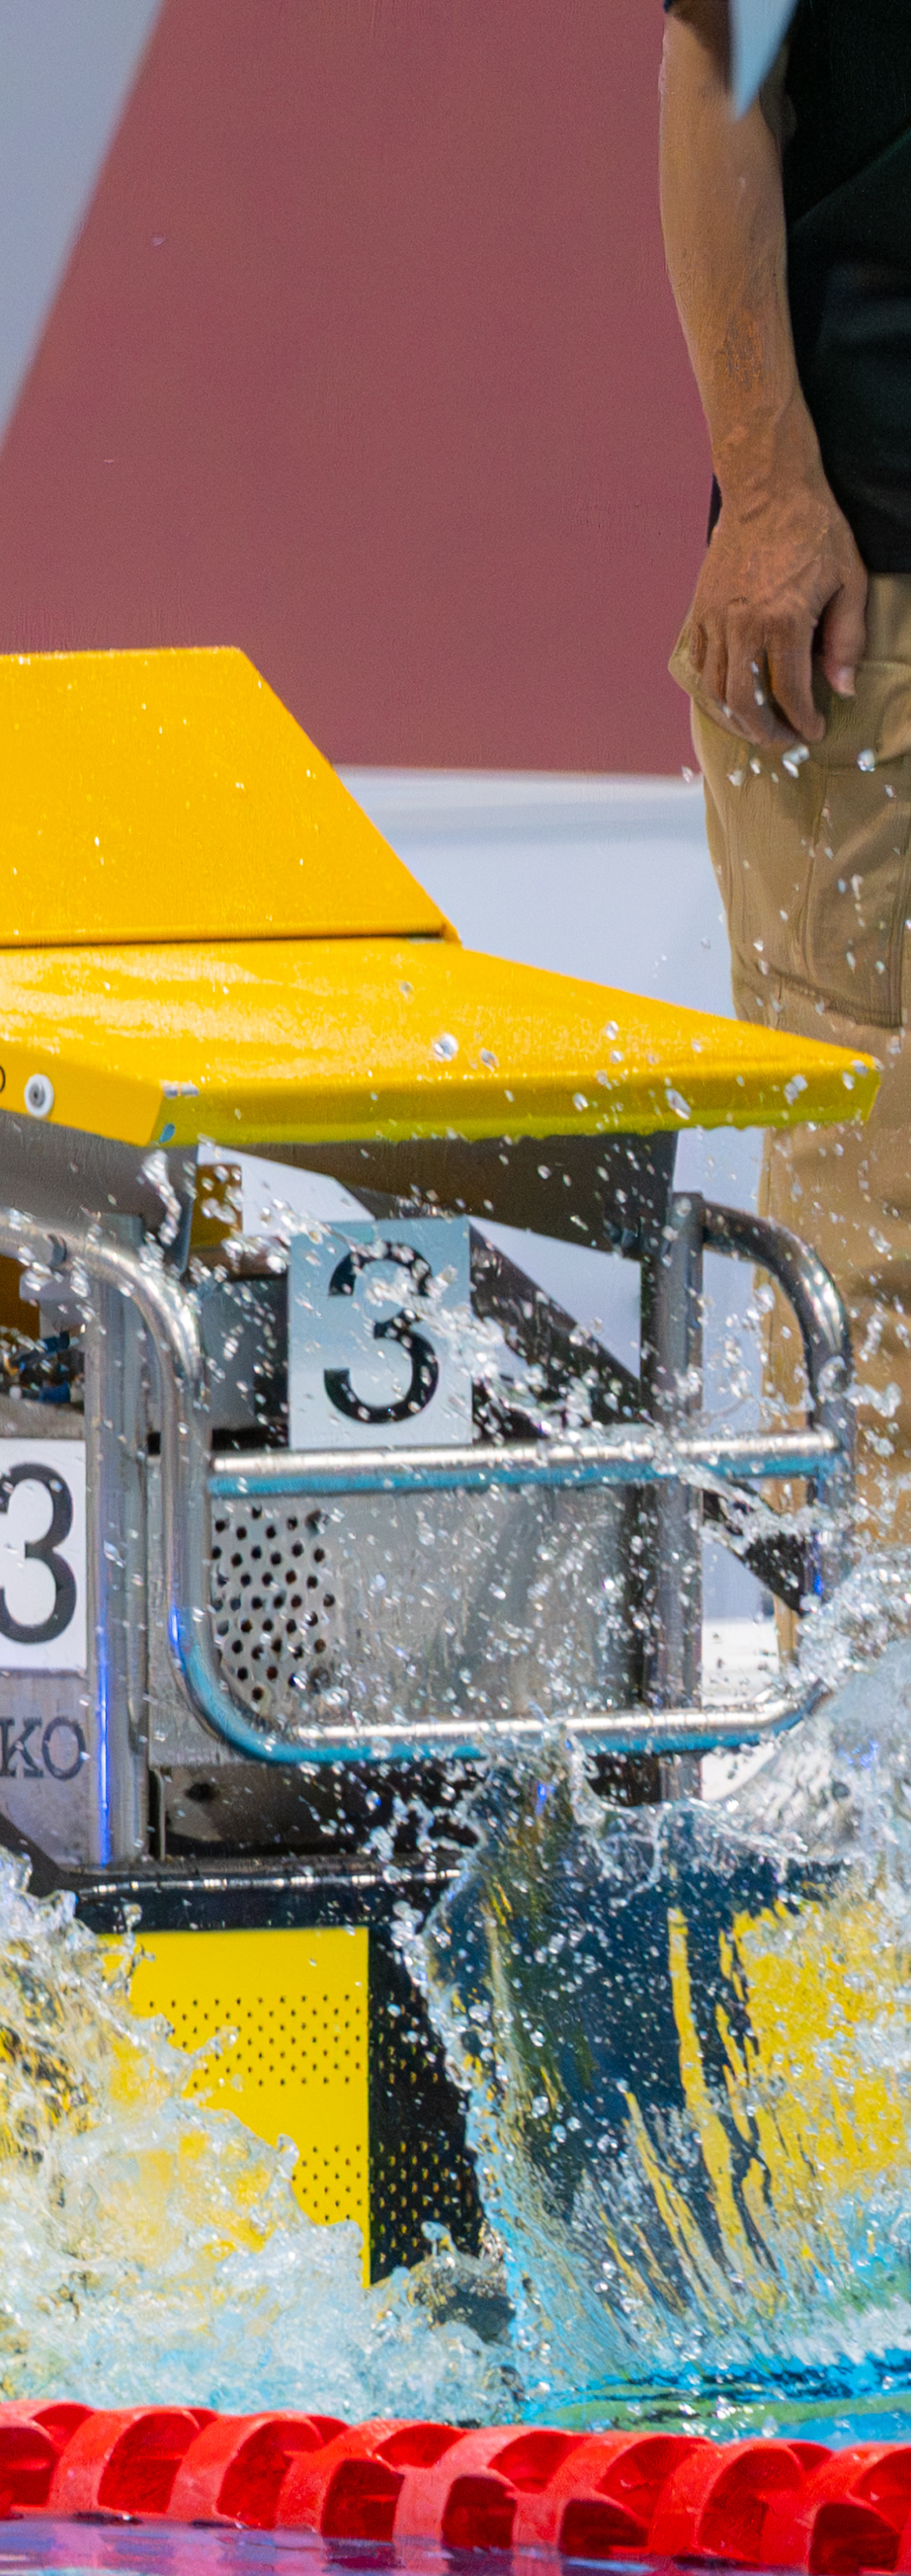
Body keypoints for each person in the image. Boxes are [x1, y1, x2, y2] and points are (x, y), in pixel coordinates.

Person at [666, 0, 911, 1570]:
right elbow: (715, 72)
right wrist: (766, 491)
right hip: (881, 572)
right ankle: (876, 1732)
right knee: (875, 1192)